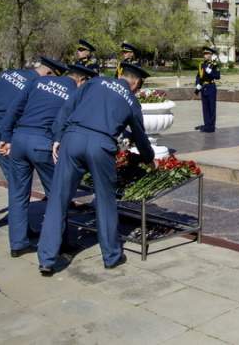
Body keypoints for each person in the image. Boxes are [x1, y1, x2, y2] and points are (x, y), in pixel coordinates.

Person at [37, 62, 155, 275]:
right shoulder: (131, 99)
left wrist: (57, 137)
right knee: (106, 200)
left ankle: (46, 258)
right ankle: (111, 256)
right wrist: (149, 158)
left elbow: (67, 108)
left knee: (58, 198)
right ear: (136, 82)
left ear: (120, 74)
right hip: (101, 145)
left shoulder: (95, 82)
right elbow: (139, 135)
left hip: (72, 139)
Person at [0, 57, 69, 241]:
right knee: (18, 183)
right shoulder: (36, 83)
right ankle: (21, 232)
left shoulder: (8, 73)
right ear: (49, 73)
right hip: (1, 131)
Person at [0, 63, 97, 257]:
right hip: (44, 143)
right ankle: (61, 243)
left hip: (19, 140)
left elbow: (14, 109)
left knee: (17, 193)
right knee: (57, 196)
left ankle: (18, 243)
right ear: (82, 79)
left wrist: (5, 137)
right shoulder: (76, 93)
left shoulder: (39, 81)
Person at [195, 46, 220, 133]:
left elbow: (217, 76)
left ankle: (211, 126)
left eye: (206, 54)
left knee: (211, 108)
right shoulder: (201, 64)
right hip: (203, 87)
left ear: (210, 55)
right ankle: (206, 125)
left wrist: (211, 72)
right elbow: (198, 76)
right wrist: (198, 84)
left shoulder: (215, 65)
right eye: (204, 54)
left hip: (211, 87)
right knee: (205, 108)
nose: (204, 55)